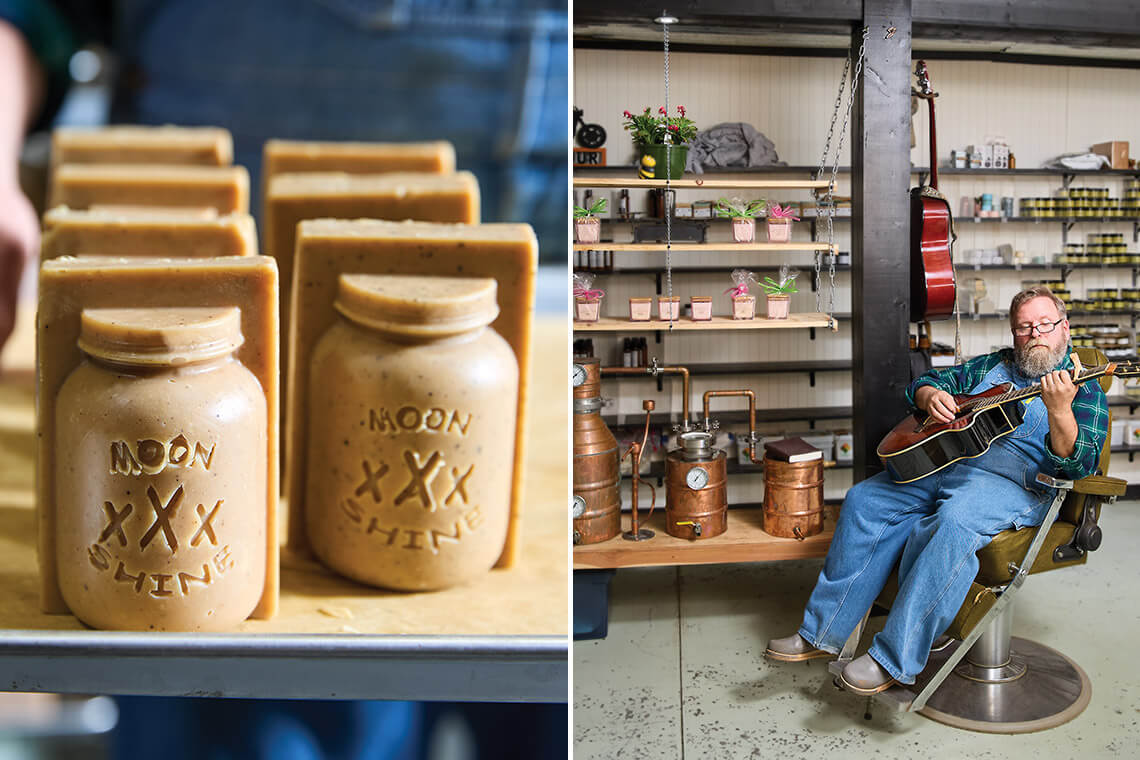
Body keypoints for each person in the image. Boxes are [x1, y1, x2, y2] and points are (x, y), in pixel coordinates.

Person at [765, 286, 1108, 695]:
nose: (1035, 334)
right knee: (864, 500)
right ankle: (821, 634)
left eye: (1045, 325)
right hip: (947, 463)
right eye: (1024, 327)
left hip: (1013, 484)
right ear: (1014, 333)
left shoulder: (1084, 390)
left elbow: (1078, 462)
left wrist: (1059, 410)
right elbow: (923, 384)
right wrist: (932, 397)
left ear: (1065, 328)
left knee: (953, 521)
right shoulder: (989, 367)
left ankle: (893, 659)